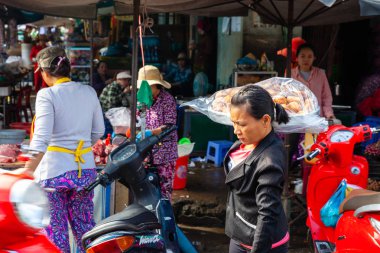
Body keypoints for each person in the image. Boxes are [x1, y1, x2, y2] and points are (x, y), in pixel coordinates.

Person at [17, 46, 105, 253]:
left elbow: (41, 138)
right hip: (85, 172)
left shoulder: (47, 95)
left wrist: (28, 170)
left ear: (45, 73)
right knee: (85, 229)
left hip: (54, 173)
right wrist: (79, 147)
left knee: (56, 233)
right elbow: (98, 131)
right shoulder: (89, 91)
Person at [225, 85, 290, 253]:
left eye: (242, 124)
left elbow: (267, 215)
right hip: (240, 231)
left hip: (261, 242)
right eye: (233, 123)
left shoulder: (270, 160)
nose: (236, 131)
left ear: (266, 120)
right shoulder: (248, 141)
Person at [137, 65, 178, 199]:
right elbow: (141, 120)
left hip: (164, 153)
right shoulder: (143, 100)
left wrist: (151, 132)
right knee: (149, 190)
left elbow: (171, 126)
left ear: (156, 85)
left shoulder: (167, 100)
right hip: (147, 152)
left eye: (148, 87)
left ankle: (164, 217)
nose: (145, 90)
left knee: (164, 190)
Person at [291, 43, 334, 119]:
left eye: (310, 56)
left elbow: (326, 98)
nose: (306, 59)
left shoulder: (321, 74)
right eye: (303, 56)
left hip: (317, 118)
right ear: (297, 58)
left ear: (314, 58)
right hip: (297, 118)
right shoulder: (290, 74)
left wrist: (329, 114)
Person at [99, 71, 132, 136]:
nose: (127, 82)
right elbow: (112, 101)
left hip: (113, 113)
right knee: (108, 133)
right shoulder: (113, 86)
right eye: (125, 80)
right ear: (119, 80)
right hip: (107, 113)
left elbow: (124, 102)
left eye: (128, 80)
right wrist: (124, 92)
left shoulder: (120, 88)